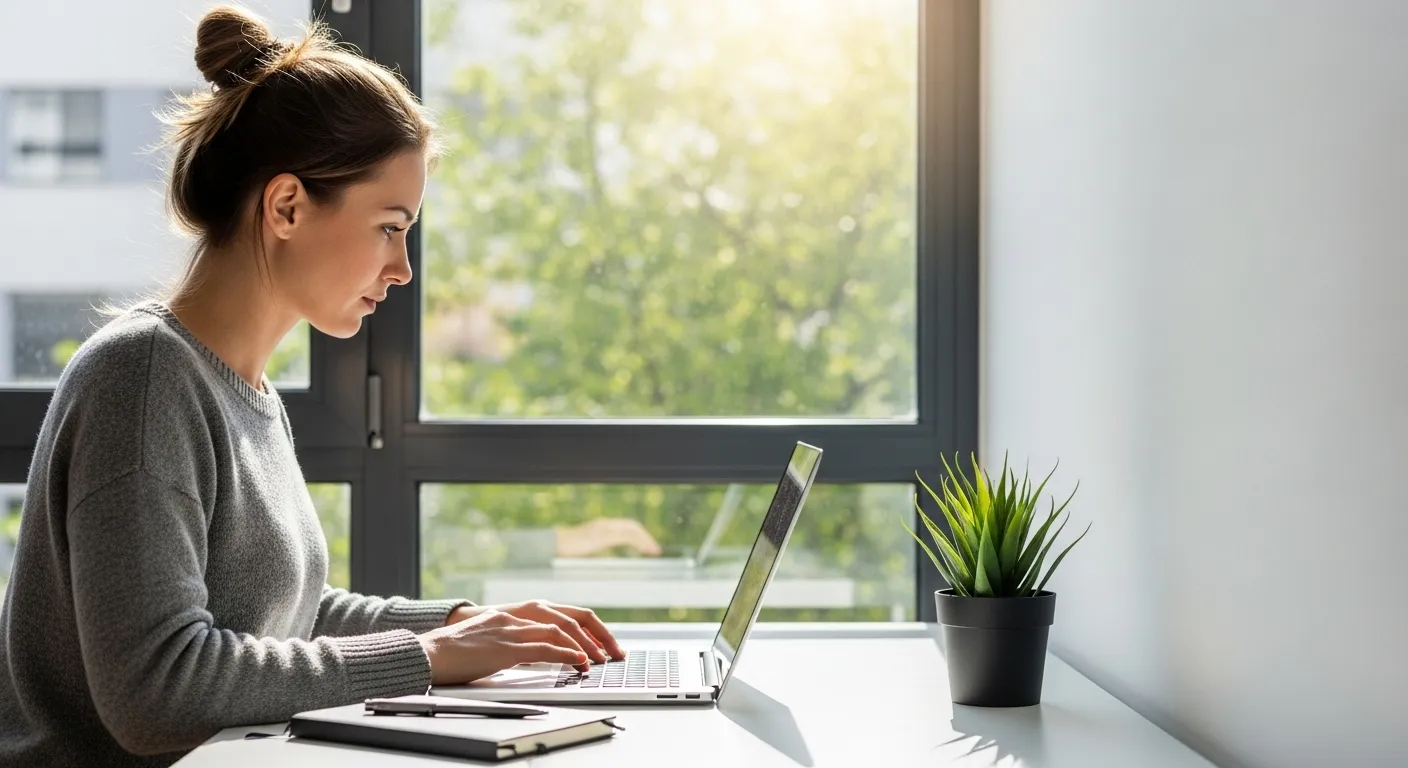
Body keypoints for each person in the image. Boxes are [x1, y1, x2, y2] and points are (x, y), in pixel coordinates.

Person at [0, 7, 655, 766]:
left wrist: (464, 624)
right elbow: (160, 692)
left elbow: (284, 617)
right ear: (286, 206)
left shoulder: (239, 388)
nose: (403, 267)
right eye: (389, 226)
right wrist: (433, 653)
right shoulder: (144, 380)